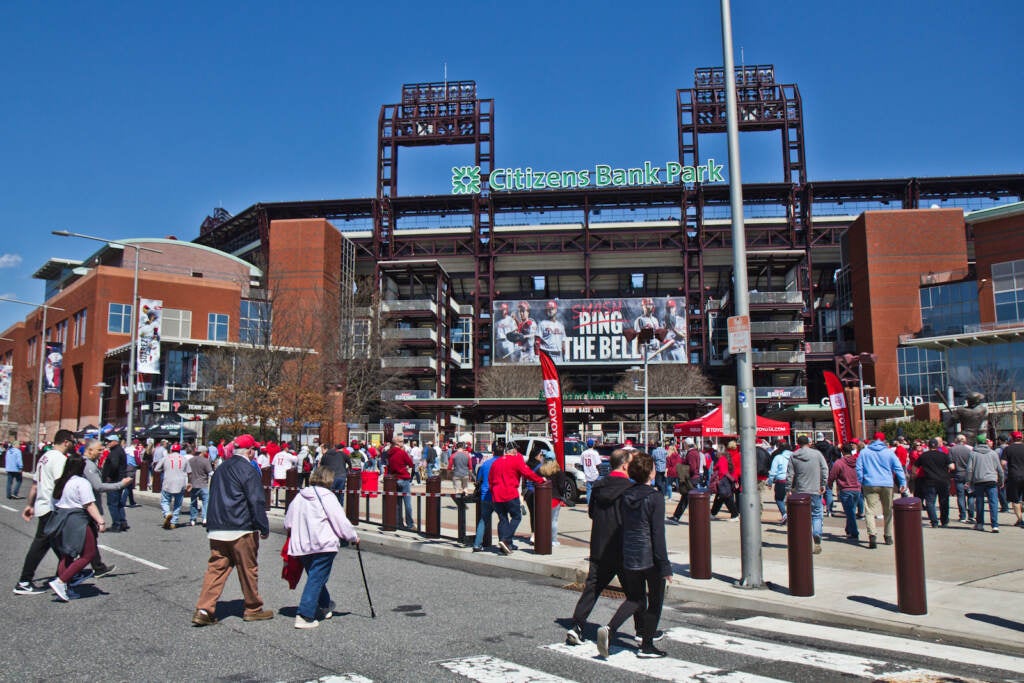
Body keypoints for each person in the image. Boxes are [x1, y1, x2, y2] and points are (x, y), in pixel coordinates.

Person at [191, 433, 273, 626]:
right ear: (250, 451)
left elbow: (214, 495)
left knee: (216, 569)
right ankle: (253, 608)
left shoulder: (221, 468)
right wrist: (263, 525)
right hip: (241, 526)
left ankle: (204, 609)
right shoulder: (248, 470)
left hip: (218, 526)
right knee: (248, 569)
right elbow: (256, 500)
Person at [597, 451, 672, 659]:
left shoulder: (626, 495)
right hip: (649, 554)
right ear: (650, 472)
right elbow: (657, 533)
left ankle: (610, 628)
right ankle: (646, 645)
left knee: (635, 598)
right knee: (655, 600)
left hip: (629, 551)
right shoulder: (655, 497)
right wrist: (664, 565)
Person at [566, 448, 636, 645]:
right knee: (635, 593)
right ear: (625, 465)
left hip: (599, 544)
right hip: (621, 545)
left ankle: (576, 626)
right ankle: (641, 631)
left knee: (592, 588)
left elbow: (591, 512)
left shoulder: (597, 486)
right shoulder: (630, 488)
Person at [284, 466, 359, 629]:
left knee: (315, 575)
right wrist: (352, 536)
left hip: (302, 544)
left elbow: (288, 522)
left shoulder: (299, 496)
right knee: (317, 577)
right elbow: (339, 520)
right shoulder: (328, 496)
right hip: (323, 543)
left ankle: (325, 605)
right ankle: (304, 614)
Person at [15, 428, 75, 595]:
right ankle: (25, 581)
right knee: (45, 545)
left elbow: (35, 485)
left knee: (60, 546)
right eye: (72, 442)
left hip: (43, 505)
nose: (73, 445)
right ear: (66, 442)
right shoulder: (60, 459)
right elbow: (60, 485)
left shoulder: (44, 457)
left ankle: (65, 576)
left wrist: (30, 504)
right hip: (52, 508)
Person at [44, 455, 107, 601]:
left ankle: (65, 586)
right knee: (88, 553)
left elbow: (53, 502)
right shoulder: (81, 482)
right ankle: (61, 581)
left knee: (67, 554)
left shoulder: (60, 482)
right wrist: (100, 521)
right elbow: (89, 504)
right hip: (77, 519)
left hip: (61, 517)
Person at [489, 442, 544, 555]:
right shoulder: (516, 461)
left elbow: (490, 479)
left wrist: (492, 491)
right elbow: (527, 473)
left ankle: (504, 543)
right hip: (509, 493)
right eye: (516, 450)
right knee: (516, 516)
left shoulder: (496, 462)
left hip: (496, 494)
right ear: (513, 451)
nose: (517, 452)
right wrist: (540, 480)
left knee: (503, 519)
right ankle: (506, 540)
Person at [857, 432, 907, 549]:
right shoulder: (889, 452)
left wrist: (861, 480)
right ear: (884, 441)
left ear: (873, 440)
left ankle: (872, 534)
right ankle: (888, 535)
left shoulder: (864, 452)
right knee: (888, 510)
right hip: (886, 483)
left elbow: (859, 468)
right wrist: (903, 482)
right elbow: (898, 468)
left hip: (869, 483)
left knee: (869, 510)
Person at [788, 435, 829, 554]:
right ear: (809, 443)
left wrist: (788, 488)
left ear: (798, 443)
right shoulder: (817, 454)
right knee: (816, 514)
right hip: (815, 489)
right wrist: (823, 483)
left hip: (800, 490)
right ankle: (816, 534)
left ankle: (803, 540)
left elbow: (790, 474)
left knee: (802, 517)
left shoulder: (793, 456)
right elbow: (824, 468)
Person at [968, 434, 1004, 533]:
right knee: (993, 502)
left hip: (979, 480)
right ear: (986, 442)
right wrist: (1001, 481)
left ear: (977, 442)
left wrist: (968, 481)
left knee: (979, 503)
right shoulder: (993, 453)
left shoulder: (973, 453)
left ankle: (980, 524)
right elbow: (1000, 469)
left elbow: (970, 469)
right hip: (992, 480)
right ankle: (995, 525)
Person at [916, 438, 954, 528]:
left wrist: (915, 475)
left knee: (930, 502)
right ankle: (944, 521)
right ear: (937, 446)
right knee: (944, 501)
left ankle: (934, 521)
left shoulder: (924, 456)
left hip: (929, 481)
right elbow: (952, 467)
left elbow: (914, 468)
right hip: (943, 481)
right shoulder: (944, 455)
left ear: (928, 446)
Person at [827, 443, 861, 541]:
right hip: (856, 489)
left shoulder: (839, 463)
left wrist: (829, 484)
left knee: (849, 512)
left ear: (842, 451)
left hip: (845, 489)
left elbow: (832, 475)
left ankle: (854, 532)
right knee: (851, 510)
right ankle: (848, 529)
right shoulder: (857, 461)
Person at [155, 443, 191, 530]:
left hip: (168, 482)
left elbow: (156, 469)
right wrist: (189, 482)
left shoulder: (166, 458)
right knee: (178, 504)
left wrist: (164, 470)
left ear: (171, 450)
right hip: (180, 483)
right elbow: (189, 472)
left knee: (165, 501)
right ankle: (174, 522)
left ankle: (167, 513)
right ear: (179, 451)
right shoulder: (184, 459)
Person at [537, 451, 570, 546]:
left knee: (543, 520)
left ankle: (543, 538)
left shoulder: (540, 471)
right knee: (553, 520)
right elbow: (561, 487)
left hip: (542, 498)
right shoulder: (559, 472)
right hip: (555, 498)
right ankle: (553, 540)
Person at [101, 434, 130, 532]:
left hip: (114, 480)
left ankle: (116, 524)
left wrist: (109, 476)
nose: (107, 443)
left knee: (112, 503)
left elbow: (114, 465)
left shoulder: (115, 452)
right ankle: (122, 522)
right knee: (118, 503)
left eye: (109, 441)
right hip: (119, 479)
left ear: (115, 442)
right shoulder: (119, 450)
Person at [386, 435, 415, 530]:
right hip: (404, 478)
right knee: (407, 503)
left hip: (395, 479)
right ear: (398, 443)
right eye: (402, 441)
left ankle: (399, 523)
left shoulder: (389, 453)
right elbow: (410, 464)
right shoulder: (402, 453)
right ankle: (410, 524)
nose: (404, 443)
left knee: (397, 503)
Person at [472, 447, 497, 552]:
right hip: (499, 495)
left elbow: (478, 479)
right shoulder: (503, 463)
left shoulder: (485, 464)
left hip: (485, 495)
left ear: (493, 452)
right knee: (503, 519)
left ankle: (477, 544)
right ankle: (506, 542)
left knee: (483, 520)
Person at [710, 442, 739, 520]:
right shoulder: (726, 457)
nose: (715, 453)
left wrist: (718, 479)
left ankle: (735, 515)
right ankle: (713, 513)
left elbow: (722, 471)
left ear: (719, 452)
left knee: (725, 497)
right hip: (727, 480)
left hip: (723, 481)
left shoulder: (722, 459)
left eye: (716, 451)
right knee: (720, 498)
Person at [950, 434, 974, 523]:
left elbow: (951, 465)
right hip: (968, 475)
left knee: (961, 496)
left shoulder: (952, 450)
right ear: (965, 440)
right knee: (970, 495)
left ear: (956, 440)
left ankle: (963, 516)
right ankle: (971, 516)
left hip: (958, 474)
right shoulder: (969, 450)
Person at [767, 440, 794, 523]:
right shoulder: (794, 456)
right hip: (793, 480)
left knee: (779, 499)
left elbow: (773, 471)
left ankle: (784, 514)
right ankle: (793, 515)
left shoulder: (778, 457)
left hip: (781, 480)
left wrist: (770, 482)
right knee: (793, 499)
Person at [188, 445, 214, 526]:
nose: (206, 453)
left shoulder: (190, 460)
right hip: (203, 484)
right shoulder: (205, 461)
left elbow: (188, 472)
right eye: (206, 451)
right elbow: (210, 473)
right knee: (205, 502)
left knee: (193, 502)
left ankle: (193, 519)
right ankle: (205, 518)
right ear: (203, 452)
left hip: (193, 484)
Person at [1002, 431, 1024, 528]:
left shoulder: (1008, 449)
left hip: (1014, 476)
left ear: (1012, 438)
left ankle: (1020, 520)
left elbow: (1003, 463)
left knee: (1015, 499)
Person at [580, 439, 601, 504]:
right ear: (593, 445)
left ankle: (589, 506)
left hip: (587, 474)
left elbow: (582, 464)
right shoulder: (595, 453)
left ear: (587, 445)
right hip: (595, 474)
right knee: (597, 491)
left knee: (589, 491)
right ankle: (596, 505)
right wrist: (599, 471)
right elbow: (598, 464)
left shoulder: (583, 453)